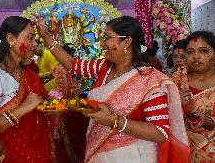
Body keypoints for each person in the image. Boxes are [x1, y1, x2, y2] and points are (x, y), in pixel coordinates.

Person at [36, 15, 189, 163]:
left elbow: (160, 132)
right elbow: (71, 64)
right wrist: (45, 36)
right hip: (100, 153)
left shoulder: (149, 79)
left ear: (127, 41)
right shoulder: (104, 67)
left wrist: (114, 121)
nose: (102, 44)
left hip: (134, 156)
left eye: (108, 37)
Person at [0, 16, 54, 163]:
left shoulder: (30, 75)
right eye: (30, 38)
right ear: (11, 39)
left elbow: (43, 108)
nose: (35, 44)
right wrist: (23, 108)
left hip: (39, 155)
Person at [176, 31, 215, 162]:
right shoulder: (175, 82)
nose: (196, 56)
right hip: (184, 149)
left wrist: (207, 121)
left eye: (204, 51)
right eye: (190, 52)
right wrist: (177, 104)